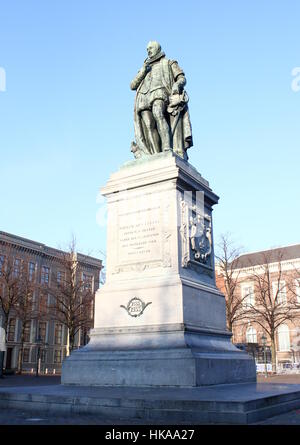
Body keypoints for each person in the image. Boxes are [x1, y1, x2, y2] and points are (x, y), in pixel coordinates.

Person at [130, 41, 193, 160]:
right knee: (148, 125)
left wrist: (177, 85)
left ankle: (166, 148)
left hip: (160, 92)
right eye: (147, 49)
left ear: (158, 48)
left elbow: (181, 78)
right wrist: (143, 71)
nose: (148, 50)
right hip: (144, 97)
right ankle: (155, 154)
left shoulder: (169, 62)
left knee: (158, 113)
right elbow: (132, 85)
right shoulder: (144, 67)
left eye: (151, 48)